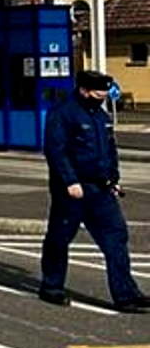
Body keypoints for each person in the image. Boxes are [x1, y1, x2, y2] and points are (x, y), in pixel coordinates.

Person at [39, 69, 149, 314]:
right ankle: (51, 286)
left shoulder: (100, 116)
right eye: (98, 93)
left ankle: (126, 294)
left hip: (100, 189)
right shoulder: (63, 113)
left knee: (116, 237)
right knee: (59, 238)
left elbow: (110, 150)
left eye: (104, 94)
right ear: (84, 90)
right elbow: (56, 151)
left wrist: (113, 179)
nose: (102, 97)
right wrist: (70, 181)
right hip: (72, 190)